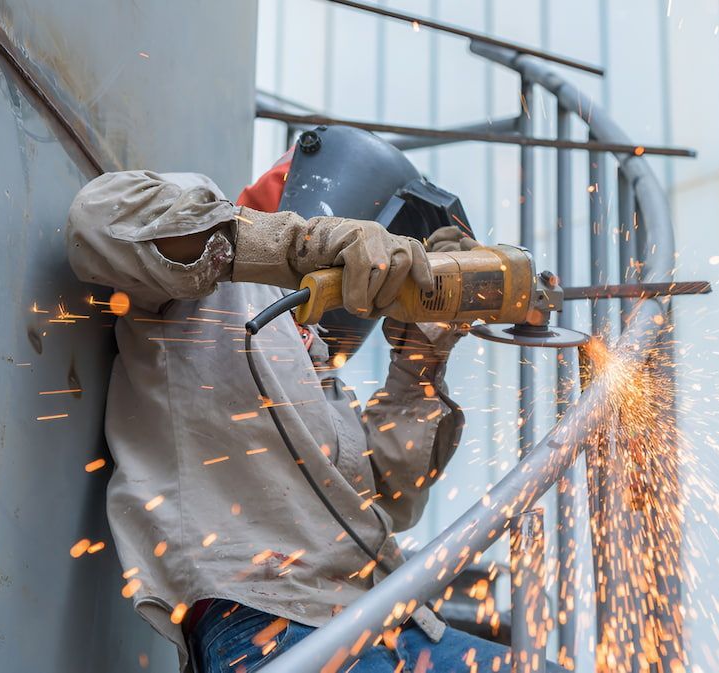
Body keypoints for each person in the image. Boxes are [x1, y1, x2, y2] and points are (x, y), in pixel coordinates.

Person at [66, 162, 553, 672]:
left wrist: (421, 358)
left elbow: (384, 498)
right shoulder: (203, 244)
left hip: (386, 622)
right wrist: (306, 244)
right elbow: (97, 221)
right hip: (269, 622)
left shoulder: (306, 346)